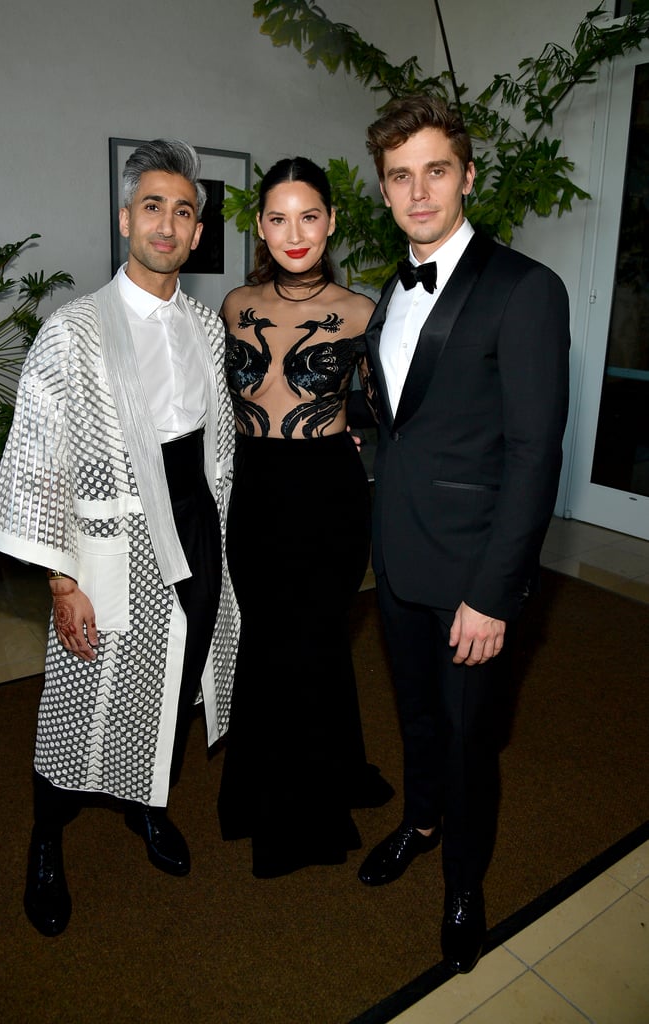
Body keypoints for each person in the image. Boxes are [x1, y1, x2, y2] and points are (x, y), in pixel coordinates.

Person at [0, 139, 239, 936]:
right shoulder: (72, 332)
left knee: (176, 681)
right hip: (107, 541)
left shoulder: (205, 324)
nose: (168, 224)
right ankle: (47, 836)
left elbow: (217, 446)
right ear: (126, 218)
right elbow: (37, 459)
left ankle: (145, 803)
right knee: (80, 697)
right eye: (153, 206)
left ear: (198, 235)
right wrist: (63, 582)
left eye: (184, 211)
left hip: (195, 524)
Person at [358, 96, 570, 973]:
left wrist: (494, 592)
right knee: (415, 717)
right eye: (400, 176)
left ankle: (464, 882)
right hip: (398, 559)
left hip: (474, 574)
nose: (418, 191)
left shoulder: (526, 289)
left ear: (467, 176)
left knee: (469, 737)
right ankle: (419, 819)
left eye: (435, 171)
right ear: (384, 189)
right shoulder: (387, 288)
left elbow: (533, 453)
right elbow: (400, 421)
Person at [216, 156, 393, 878]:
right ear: (260, 225)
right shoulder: (234, 305)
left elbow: (389, 405)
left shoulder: (361, 311)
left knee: (315, 641)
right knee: (267, 640)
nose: (295, 232)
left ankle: (304, 813)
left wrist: (344, 419)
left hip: (329, 497)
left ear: (331, 223)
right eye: (279, 217)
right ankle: (268, 785)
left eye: (310, 216)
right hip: (256, 494)